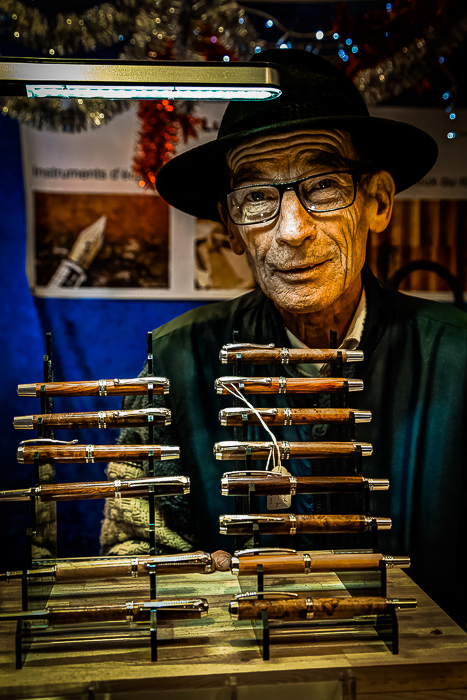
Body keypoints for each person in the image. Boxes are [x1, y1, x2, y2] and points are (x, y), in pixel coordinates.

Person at [100, 49, 467, 626]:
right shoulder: (174, 363)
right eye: (257, 198)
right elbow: (130, 551)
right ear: (231, 225)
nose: (292, 231)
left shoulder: (460, 359)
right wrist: (190, 585)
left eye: (324, 187)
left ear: (377, 202)